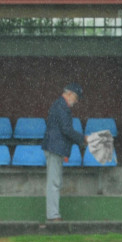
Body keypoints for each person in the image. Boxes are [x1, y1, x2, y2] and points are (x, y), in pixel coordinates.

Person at [41, 83, 88, 222]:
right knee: (54, 183)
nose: (76, 101)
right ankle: (53, 215)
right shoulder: (62, 107)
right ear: (69, 94)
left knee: (54, 182)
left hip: (54, 147)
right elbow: (66, 130)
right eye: (76, 97)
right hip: (55, 148)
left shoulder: (59, 105)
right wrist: (83, 139)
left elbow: (64, 130)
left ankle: (53, 214)